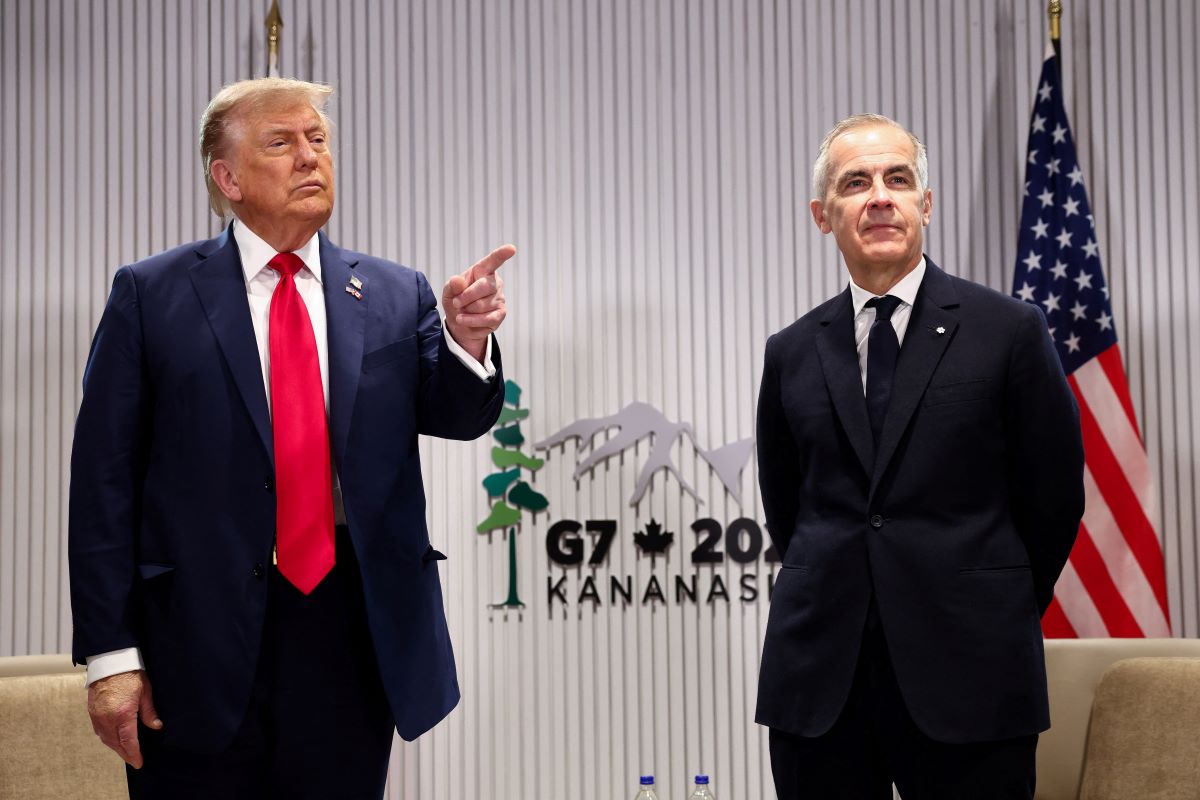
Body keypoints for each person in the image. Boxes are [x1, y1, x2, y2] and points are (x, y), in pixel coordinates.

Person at [68, 77, 512, 798]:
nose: (311, 157)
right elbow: (102, 484)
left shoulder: (396, 293)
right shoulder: (151, 295)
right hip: (195, 638)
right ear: (228, 177)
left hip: (348, 628)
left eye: (318, 140)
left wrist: (465, 342)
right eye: (282, 143)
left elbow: (458, 416)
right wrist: (111, 654)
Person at [755, 114, 1084, 799]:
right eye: (856, 183)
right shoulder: (789, 352)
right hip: (822, 686)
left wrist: (989, 604)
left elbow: (1053, 499)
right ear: (824, 215)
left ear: (925, 205)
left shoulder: (1009, 332)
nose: (880, 196)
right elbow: (790, 510)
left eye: (897, 179)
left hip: (973, 674)